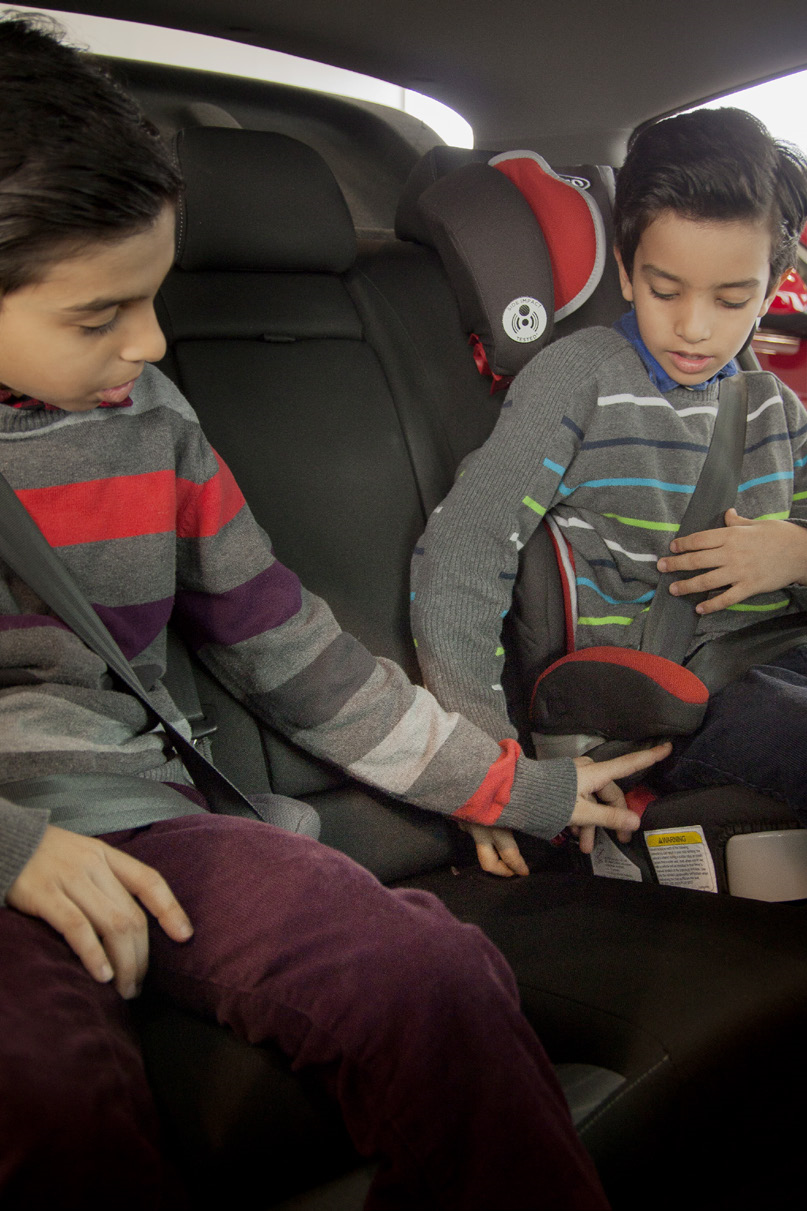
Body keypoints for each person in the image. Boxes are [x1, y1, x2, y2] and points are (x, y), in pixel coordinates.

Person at [0, 13, 674, 1209]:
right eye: (98, 316)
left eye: (150, 295)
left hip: (140, 818)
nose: (150, 343)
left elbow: (292, 653)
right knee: (44, 1092)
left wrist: (516, 784)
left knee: (434, 972)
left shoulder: (149, 417)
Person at [411, 106, 807, 876]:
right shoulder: (578, 377)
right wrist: (486, 765)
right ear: (626, 269)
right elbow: (462, 553)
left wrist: (794, 551)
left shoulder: (774, 409)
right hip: (666, 704)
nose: (694, 328)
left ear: (769, 289)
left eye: (730, 300)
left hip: (780, 660)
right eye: (665, 291)